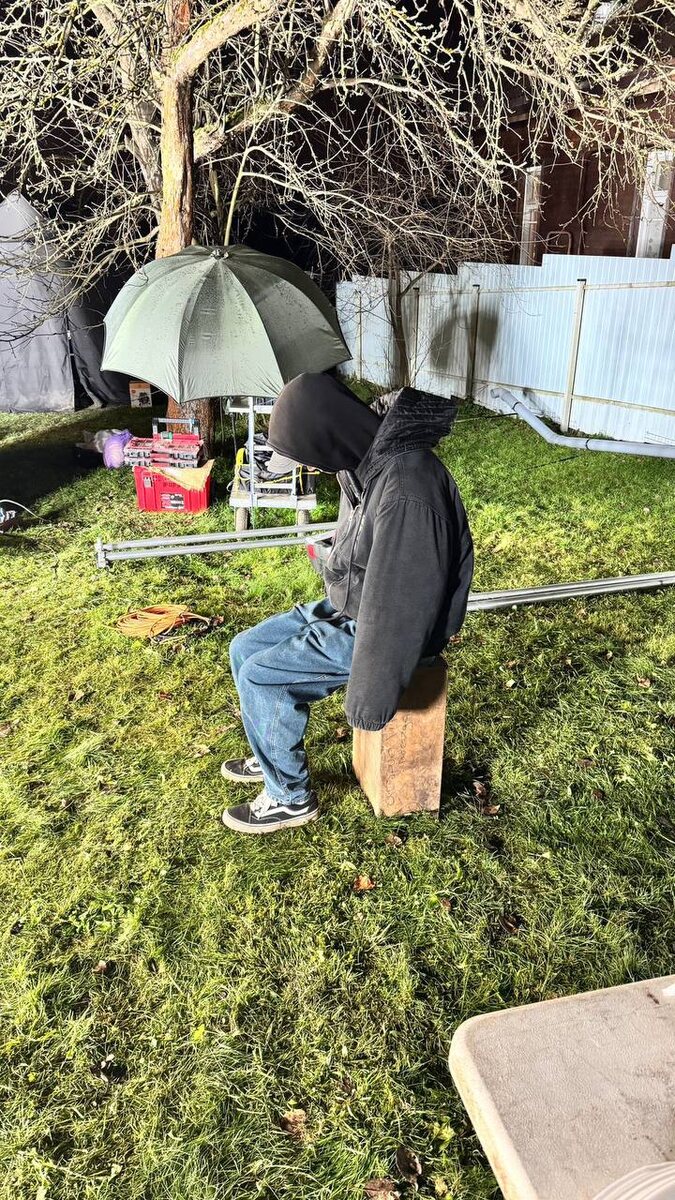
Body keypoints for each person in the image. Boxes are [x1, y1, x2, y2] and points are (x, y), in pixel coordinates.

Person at [220, 373, 474, 835]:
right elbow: (368, 542)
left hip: (388, 626)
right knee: (245, 648)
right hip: (353, 603)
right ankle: (270, 753)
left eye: (309, 457)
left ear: (329, 435)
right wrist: (335, 553)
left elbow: (401, 606)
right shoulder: (365, 459)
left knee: (262, 677)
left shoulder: (407, 490)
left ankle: (290, 798)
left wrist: (370, 698)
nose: (311, 468)